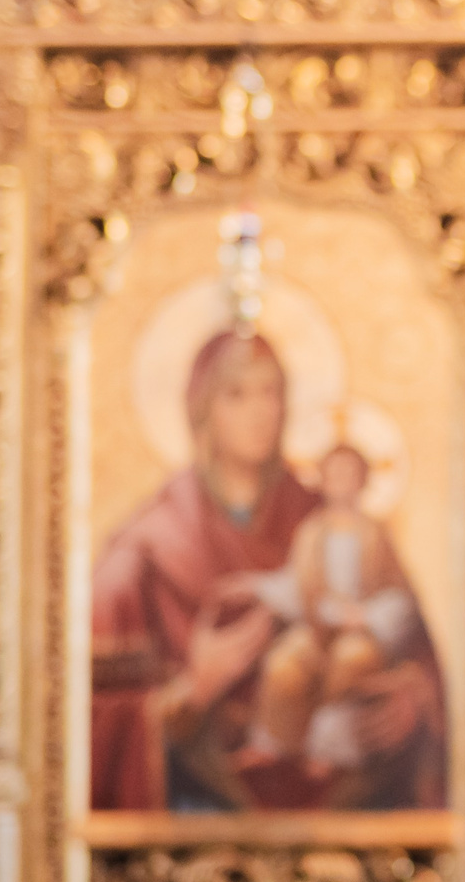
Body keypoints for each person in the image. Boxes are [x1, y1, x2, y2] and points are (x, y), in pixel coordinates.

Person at [88, 330, 445, 812]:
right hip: (199, 811)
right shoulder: (147, 547)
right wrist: (191, 693)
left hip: (341, 806)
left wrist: (410, 706)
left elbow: (415, 650)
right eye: (236, 394)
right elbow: (83, 721)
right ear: (202, 410)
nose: (260, 412)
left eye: (270, 392)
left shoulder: (332, 522)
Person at [247, 443, 426, 781]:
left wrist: (365, 616)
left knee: (349, 660)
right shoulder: (311, 532)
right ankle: (276, 744)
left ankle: (329, 749)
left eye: (349, 474)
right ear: (323, 481)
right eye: (334, 474)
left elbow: (401, 594)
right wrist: (256, 587)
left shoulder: (377, 534)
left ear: (363, 480)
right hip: (318, 623)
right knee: (284, 660)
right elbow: (295, 584)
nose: (341, 481)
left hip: (362, 631)